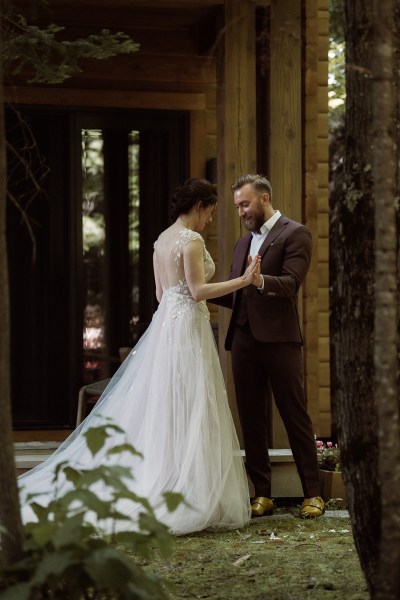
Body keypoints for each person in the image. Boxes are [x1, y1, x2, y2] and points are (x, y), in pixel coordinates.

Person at [18, 178, 261, 536]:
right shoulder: (190, 240)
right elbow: (196, 292)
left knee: (171, 405)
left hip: (166, 328)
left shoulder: (160, 241)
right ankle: (182, 489)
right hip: (187, 331)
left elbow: (163, 295)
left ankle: (178, 481)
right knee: (189, 404)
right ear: (199, 207)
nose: (209, 220)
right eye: (209, 212)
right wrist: (242, 281)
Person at [211, 174, 324, 519]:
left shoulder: (295, 233)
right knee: (251, 416)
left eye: (245, 204)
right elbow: (237, 290)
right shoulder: (243, 244)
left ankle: (313, 494)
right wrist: (198, 295)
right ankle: (262, 493)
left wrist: (260, 281)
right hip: (243, 339)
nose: (241, 211)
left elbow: (290, 283)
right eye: (237, 206)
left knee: (294, 414)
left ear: (263, 199)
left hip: (280, 340)